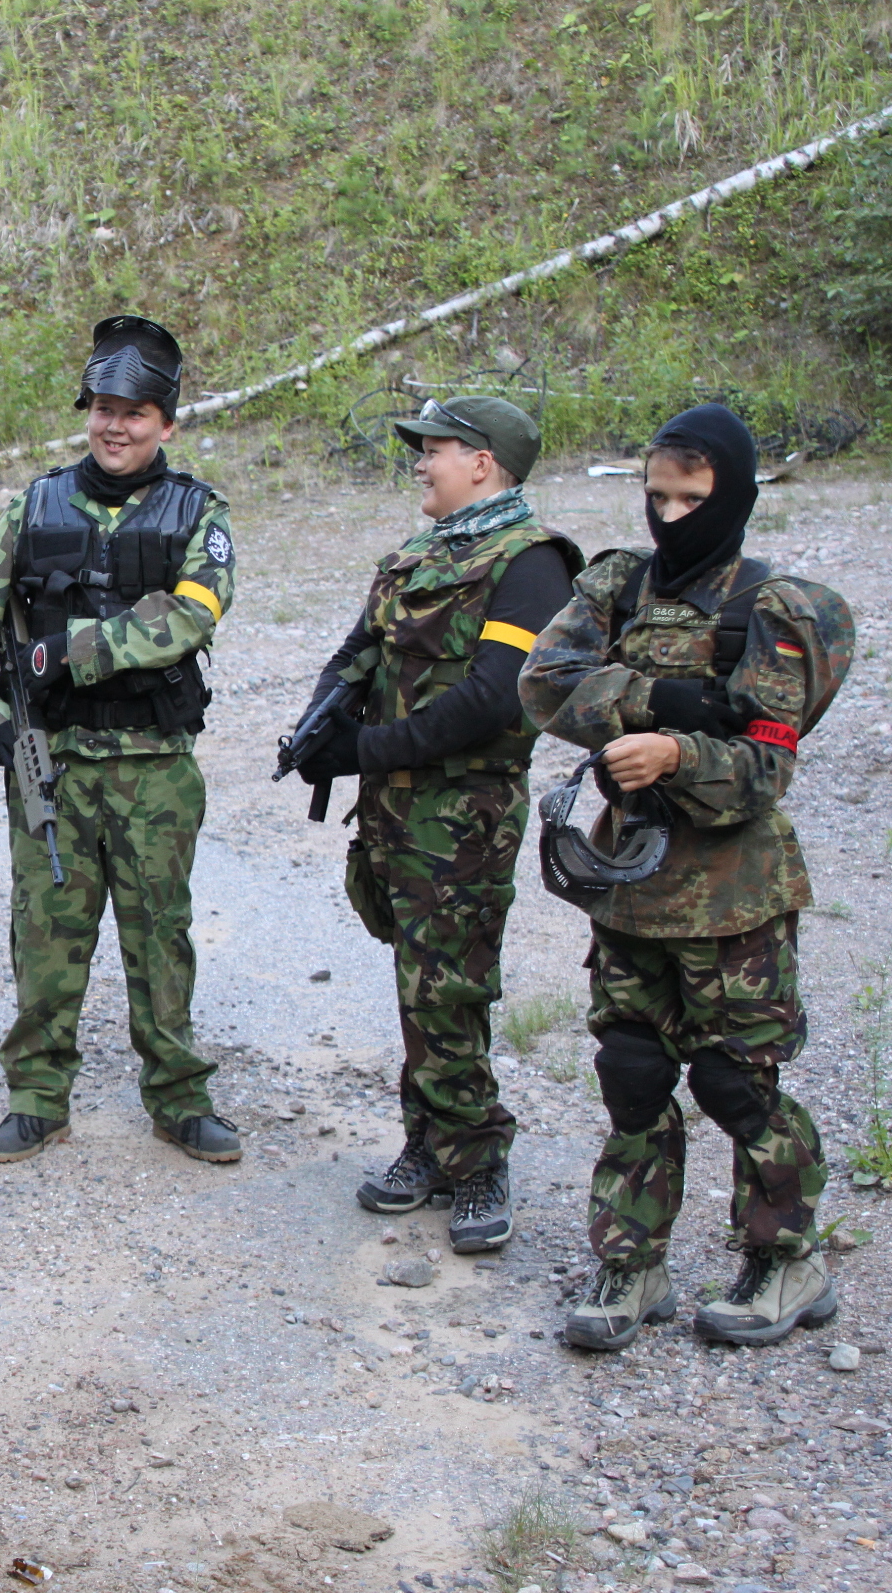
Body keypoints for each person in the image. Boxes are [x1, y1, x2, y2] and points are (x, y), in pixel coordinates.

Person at [520, 402, 852, 1351]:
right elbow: (544, 684)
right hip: (631, 882)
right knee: (631, 1075)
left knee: (735, 1082)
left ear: (735, 496)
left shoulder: (776, 609)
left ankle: (787, 1258)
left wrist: (676, 754)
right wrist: (663, 699)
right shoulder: (617, 585)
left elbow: (765, 767)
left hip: (735, 896)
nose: (668, 517)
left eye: (691, 499)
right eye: (656, 496)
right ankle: (631, 1262)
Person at [0, 316, 239, 1165]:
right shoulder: (32, 509)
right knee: (44, 939)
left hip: (155, 769)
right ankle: (38, 1098)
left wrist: (72, 650)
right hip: (54, 765)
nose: (115, 426)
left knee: (161, 937)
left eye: (135, 412)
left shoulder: (200, 514)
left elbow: (191, 617)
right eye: (103, 408)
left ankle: (179, 1099)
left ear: (165, 423)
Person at [292, 396, 581, 1253]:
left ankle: (479, 1159)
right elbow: (356, 653)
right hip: (395, 811)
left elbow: (495, 697)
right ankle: (429, 1142)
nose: (420, 463)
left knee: (451, 985)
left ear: (483, 463)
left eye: (436, 449)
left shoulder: (532, 564)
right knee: (416, 980)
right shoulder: (415, 558)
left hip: (464, 817)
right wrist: (318, 728)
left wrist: (364, 749)